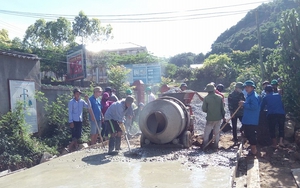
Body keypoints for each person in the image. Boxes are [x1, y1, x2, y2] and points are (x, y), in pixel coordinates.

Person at [238, 80, 261, 157]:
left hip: (251, 119)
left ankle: (254, 151)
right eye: (245, 87)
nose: (246, 88)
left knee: (251, 135)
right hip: (248, 119)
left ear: (252, 87)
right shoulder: (249, 95)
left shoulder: (254, 96)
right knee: (248, 134)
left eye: (247, 87)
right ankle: (252, 149)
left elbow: (255, 107)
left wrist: (244, 104)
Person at [202, 83, 226, 149]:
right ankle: (216, 145)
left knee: (207, 132)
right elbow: (222, 109)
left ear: (208, 91)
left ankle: (205, 145)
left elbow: (204, 109)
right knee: (217, 132)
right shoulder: (220, 97)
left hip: (210, 118)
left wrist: (209, 111)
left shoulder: (206, 98)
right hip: (218, 118)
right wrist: (223, 116)